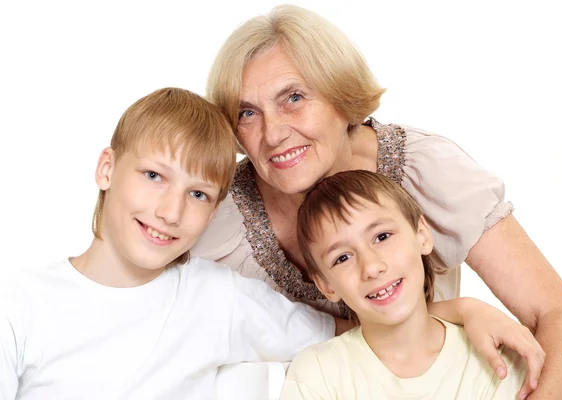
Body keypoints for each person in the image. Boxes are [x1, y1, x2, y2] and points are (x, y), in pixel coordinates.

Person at [192, 4, 562, 399]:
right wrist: (456, 310)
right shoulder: (217, 215)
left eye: (293, 97)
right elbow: (160, 317)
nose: (274, 133)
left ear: (339, 91)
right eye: (247, 113)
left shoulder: (427, 172)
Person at [0, 88, 337, 399]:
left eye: (198, 194)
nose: (171, 212)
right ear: (107, 169)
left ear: (213, 212)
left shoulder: (219, 297)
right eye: (153, 176)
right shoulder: (19, 304)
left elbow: (349, 339)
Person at [281, 170, 527, 399]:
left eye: (382, 237)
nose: (371, 267)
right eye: (342, 258)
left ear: (422, 234)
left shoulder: (496, 358)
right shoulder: (318, 375)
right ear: (326, 285)